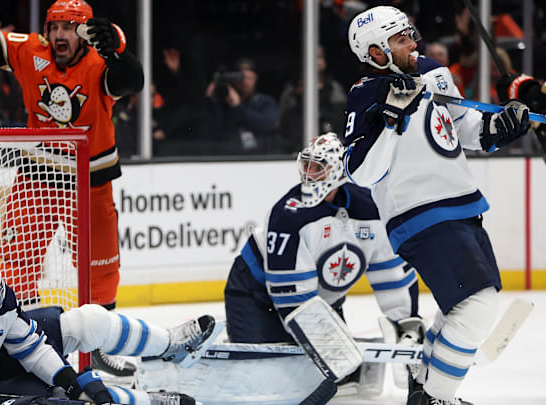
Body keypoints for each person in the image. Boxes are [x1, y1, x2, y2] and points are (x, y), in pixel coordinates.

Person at [343, 6, 531, 405]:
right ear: (376, 53)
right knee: (477, 308)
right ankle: (435, 397)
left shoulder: (431, 70)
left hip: (463, 206)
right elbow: (360, 172)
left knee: (460, 311)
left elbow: (464, 128)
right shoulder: (366, 94)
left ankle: (425, 388)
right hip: (419, 214)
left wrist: (501, 127)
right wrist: (391, 117)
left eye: (410, 33)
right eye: (400, 39)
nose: (413, 43)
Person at [0, 0, 144, 376]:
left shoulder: (97, 62)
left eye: (69, 28)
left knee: (101, 268)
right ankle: (26, 344)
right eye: (53, 27)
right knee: (18, 264)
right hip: (39, 172)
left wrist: (118, 51)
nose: (59, 35)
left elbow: (130, 81)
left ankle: (101, 345)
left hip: (91, 177)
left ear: (85, 34)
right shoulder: (31, 51)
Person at [223, 133, 423, 404]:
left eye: (318, 167)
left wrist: (405, 326)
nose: (308, 173)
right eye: (306, 165)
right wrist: (331, 352)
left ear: (338, 171)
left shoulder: (371, 209)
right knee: (264, 382)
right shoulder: (288, 215)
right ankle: (245, 343)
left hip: (320, 302)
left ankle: (355, 370)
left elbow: (391, 274)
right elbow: (292, 298)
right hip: (254, 295)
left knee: (331, 373)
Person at [0, 249, 215, 405]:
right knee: (62, 402)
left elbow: (31, 349)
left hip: (3, 361)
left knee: (91, 321)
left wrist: (71, 382)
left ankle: (171, 344)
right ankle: (149, 401)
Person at [203, 57, 278, 154]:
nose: (245, 82)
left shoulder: (265, 102)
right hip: (226, 157)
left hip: (260, 158)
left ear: (256, 79)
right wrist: (212, 101)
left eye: (249, 78)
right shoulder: (224, 104)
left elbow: (268, 126)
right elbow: (208, 133)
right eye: (241, 78)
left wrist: (238, 106)